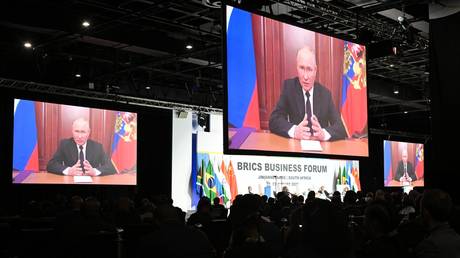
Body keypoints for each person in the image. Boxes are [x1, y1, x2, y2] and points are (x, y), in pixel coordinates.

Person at [269, 46, 347, 141]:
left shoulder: (325, 94)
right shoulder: (289, 87)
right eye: (302, 68)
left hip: (320, 149)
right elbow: (274, 120)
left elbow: (340, 128)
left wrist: (323, 134)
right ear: (296, 67)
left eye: (309, 69)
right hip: (296, 147)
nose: (305, 77)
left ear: (315, 70)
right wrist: (294, 131)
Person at [47, 118, 116, 176]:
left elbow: (111, 167)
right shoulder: (65, 145)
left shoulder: (97, 147)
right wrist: (69, 171)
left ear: (88, 132)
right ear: (72, 131)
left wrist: (94, 171)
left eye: (83, 132)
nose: (79, 136)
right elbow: (51, 165)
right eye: (76, 131)